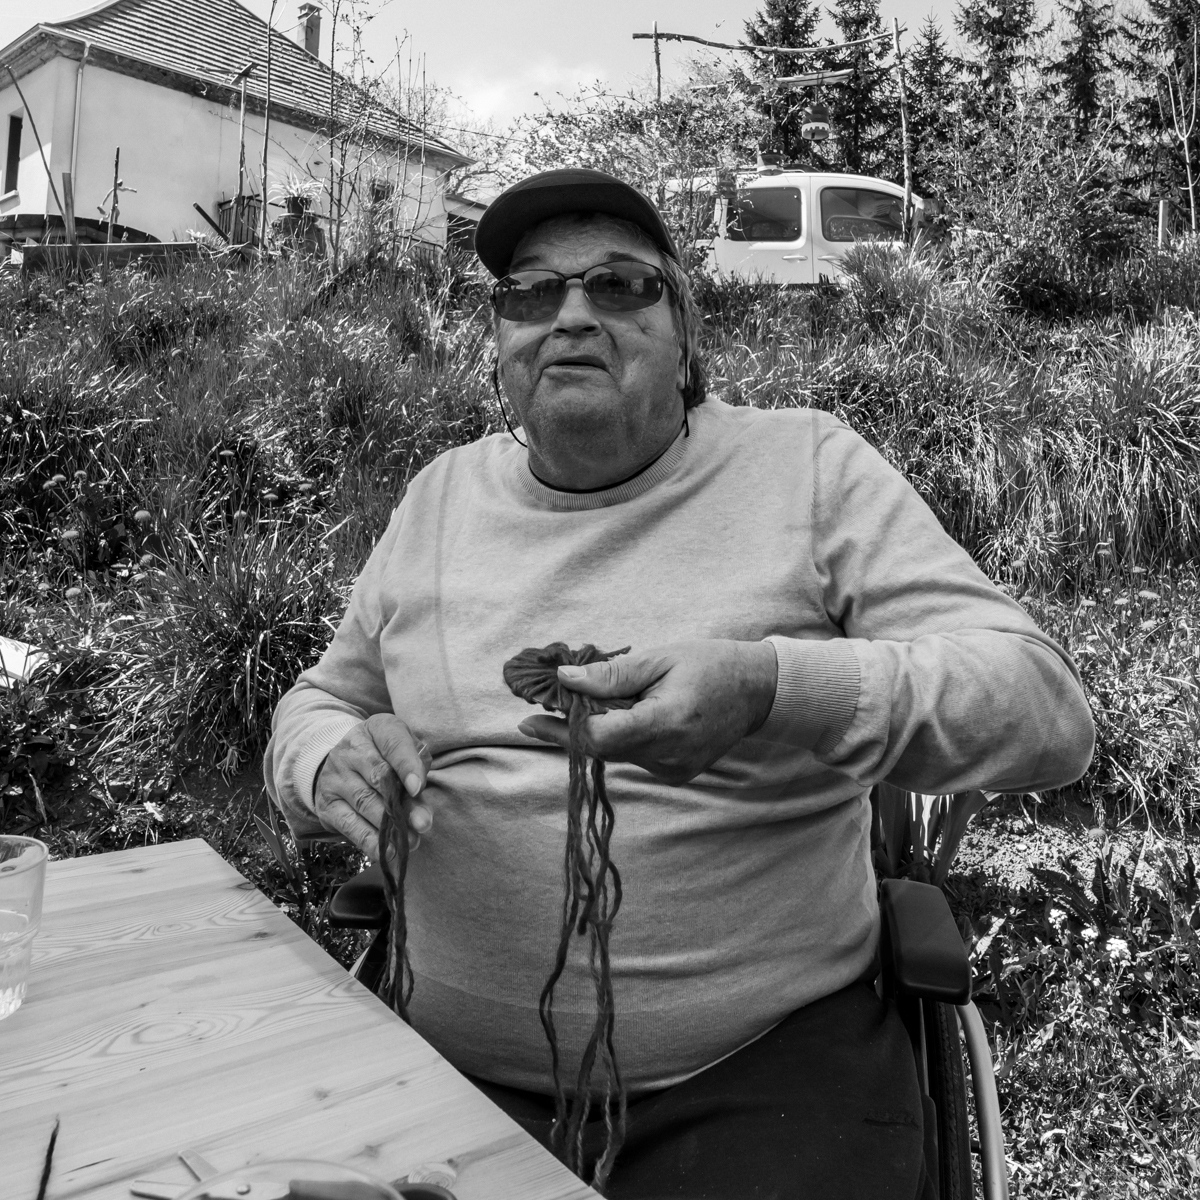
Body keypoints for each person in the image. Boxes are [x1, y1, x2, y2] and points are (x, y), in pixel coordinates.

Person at [265, 167, 1094, 1198]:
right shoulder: (440, 497)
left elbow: (1043, 710)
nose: (570, 314)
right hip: (439, 1071)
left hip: (754, 1070)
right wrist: (322, 758)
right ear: (500, 344)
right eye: (530, 293)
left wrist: (769, 689)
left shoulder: (807, 469)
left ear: (688, 336)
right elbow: (320, 701)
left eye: (619, 285)